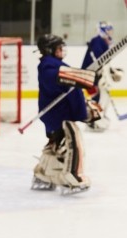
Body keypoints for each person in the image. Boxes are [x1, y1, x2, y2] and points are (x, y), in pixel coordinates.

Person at [32, 34, 100, 194]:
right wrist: (83, 77)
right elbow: (59, 78)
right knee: (74, 144)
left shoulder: (53, 64)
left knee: (55, 144)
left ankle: (43, 174)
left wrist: (84, 106)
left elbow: (70, 88)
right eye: (59, 48)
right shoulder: (48, 66)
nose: (62, 50)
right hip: (59, 116)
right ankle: (72, 176)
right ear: (50, 50)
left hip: (56, 114)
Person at [81, 21, 123, 130]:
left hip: (94, 75)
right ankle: (93, 121)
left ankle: (98, 118)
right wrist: (104, 74)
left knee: (102, 97)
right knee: (99, 97)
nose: (110, 33)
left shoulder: (102, 41)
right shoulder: (98, 41)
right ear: (103, 30)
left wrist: (111, 71)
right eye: (108, 30)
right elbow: (98, 61)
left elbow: (103, 62)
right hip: (91, 76)